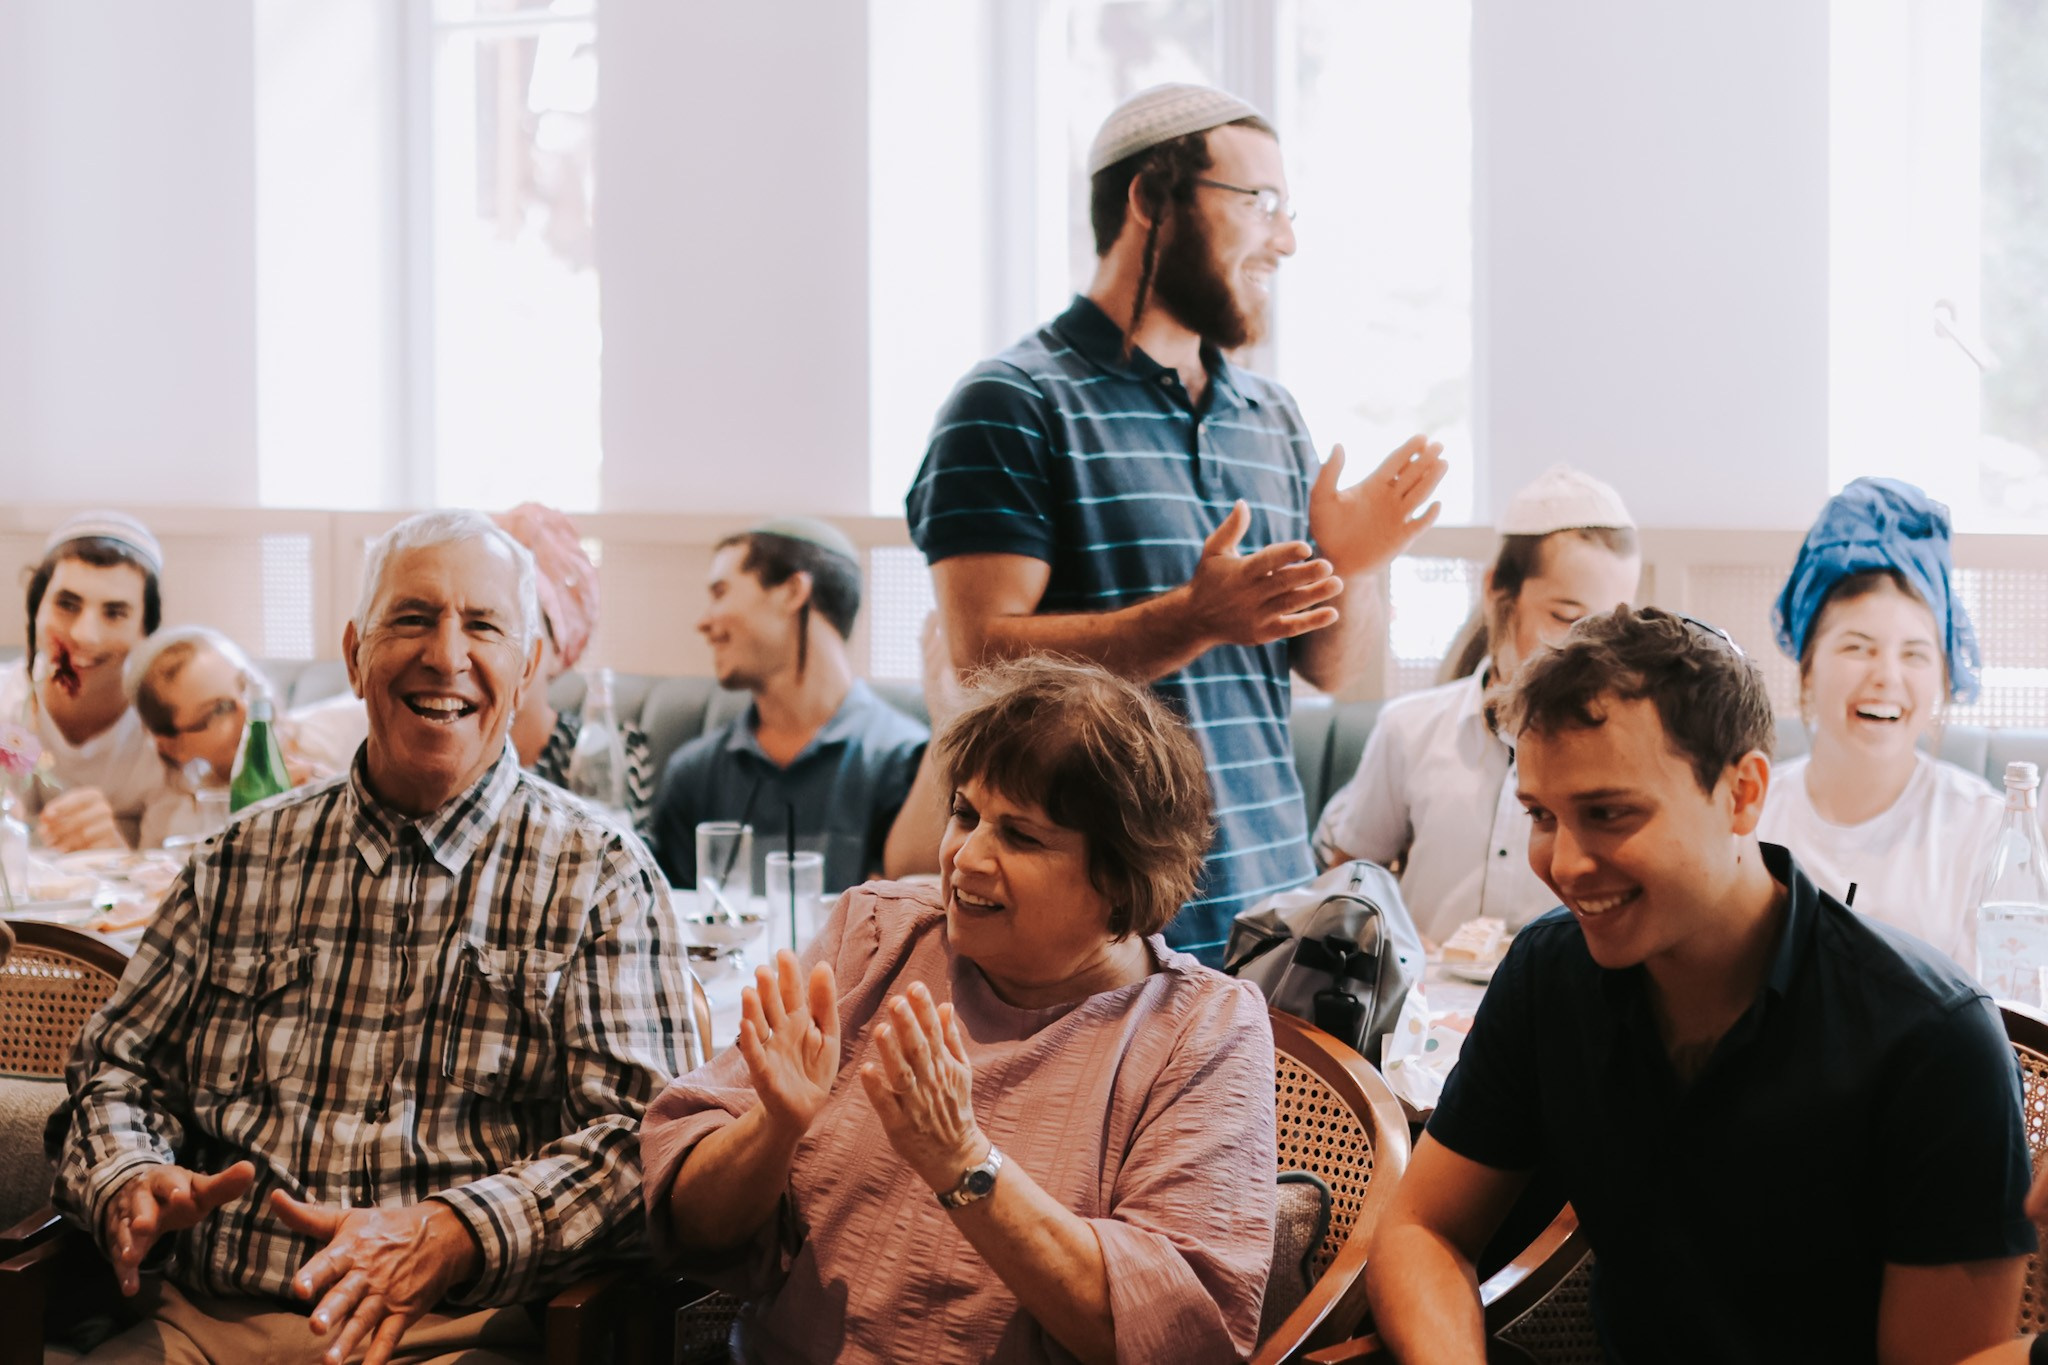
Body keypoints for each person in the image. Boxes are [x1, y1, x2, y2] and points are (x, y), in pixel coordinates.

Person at [50, 510, 701, 1365]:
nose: (447, 653)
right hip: (205, 1327)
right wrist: (128, 1174)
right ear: (356, 654)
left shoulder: (603, 876)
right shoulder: (239, 858)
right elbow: (113, 1068)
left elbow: (643, 1144)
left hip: (454, 1335)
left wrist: (452, 1232)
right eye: (413, 617)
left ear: (528, 662)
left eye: (483, 625)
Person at [1364, 607, 2035, 1364]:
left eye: (1609, 813)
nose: (1564, 864)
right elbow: (1422, 1228)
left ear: (1743, 793)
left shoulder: (1931, 1042)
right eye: (1542, 815)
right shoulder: (1551, 972)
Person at [907, 82, 1448, 964]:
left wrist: (1357, 565)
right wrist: (1193, 619)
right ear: (1150, 199)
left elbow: (1332, 669)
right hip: (1100, 943)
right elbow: (980, 665)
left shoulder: (1270, 415)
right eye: (1259, 202)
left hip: (1273, 921)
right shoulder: (1010, 402)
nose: (1286, 237)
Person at [642, 657, 1277, 1364]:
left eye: (1021, 835)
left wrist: (962, 1162)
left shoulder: (1200, 1030)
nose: (965, 858)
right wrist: (773, 1127)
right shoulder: (878, 936)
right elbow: (692, 1228)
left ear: (1123, 879)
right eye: (965, 814)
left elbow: (1180, 1334)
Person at [1312, 465, 1640, 942]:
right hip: (1424, 1005)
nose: (1586, 648)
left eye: (1607, 625)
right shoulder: (1411, 728)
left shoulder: (1628, 745)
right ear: (1495, 590)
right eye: (1565, 616)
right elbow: (1351, 876)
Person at [1759, 477, 2004, 968]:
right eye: (1857, 647)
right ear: (1808, 669)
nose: (1886, 677)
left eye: (1914, 654)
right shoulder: (1751, 816)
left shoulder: (1987, 831)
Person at [650, 519, 929, 892]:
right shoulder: (693, 774)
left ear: (793, 591)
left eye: (720, 592)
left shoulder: (906, 763)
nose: (703, 621)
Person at [0, 511, 181, 851]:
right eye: (67, 604)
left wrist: (118, 856)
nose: (85, 635)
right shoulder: (6, 704)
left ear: (146, 631)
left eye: (115, 613)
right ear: (36, 608)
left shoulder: (172, 734)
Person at [492, 502, 656, 834]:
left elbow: (631, 867)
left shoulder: (613, 752)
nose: (493, 649)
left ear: (555, 651)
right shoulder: (449, 755)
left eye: (516, 623)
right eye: (481, 624)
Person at [123, 626, 363, 848]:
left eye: (246, 684)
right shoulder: (179, 821)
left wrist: (347, 799)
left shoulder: (353, 726)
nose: (249, 710)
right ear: (174, 747)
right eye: (217, 710)